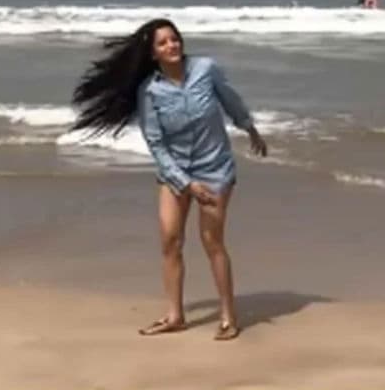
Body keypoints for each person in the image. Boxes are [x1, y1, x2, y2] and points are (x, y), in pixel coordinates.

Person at [71, 19, 267, 340]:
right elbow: (156, 143)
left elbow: (231, 100)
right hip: (174, 171)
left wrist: (250, 129)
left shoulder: (206, 69)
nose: (171, 45)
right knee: (170, 241)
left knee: (212, 240)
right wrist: (185, 183)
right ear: (153, 54)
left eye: (174, 39)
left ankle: (228, 317)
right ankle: (175, 316)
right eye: (162, 43)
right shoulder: (149, 91)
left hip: (214, 168)